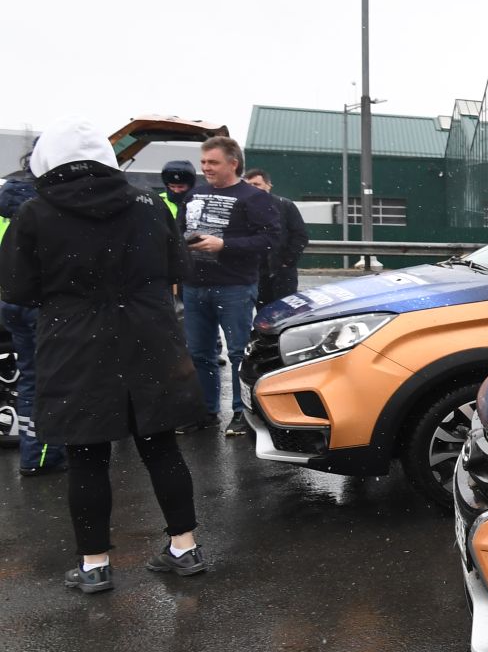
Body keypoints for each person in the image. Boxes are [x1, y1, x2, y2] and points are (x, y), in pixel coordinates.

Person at [0, 122, 207, 594]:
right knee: (161, 446)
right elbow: (180, 268)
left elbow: (17, 288)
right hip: (150, 337)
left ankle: (94, 565)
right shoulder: (149, 203)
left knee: (87, 455)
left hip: (77, 343)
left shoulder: (36, 211)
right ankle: (185, 547)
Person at [180, 136, 281, 436]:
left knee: (239, 353)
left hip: (234, 287)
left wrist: (225, 245)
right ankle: (206, 411)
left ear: (233, 163)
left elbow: (271, 240)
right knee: (199, 354)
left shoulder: (254, 198)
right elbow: (176, 234)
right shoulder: (193, 195)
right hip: (194, 285)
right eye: (203, 162)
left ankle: (242, 413)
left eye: (213, 162)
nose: (206, 168)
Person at [0, 158, 67, 476]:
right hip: (37, 305)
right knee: (51, 381)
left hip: (9, 304)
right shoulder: (42, 209)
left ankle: (33, 452)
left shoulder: (7, 202)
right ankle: (43, 455)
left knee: (30, 380)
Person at [243, 168, 309, 306]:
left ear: (268, 185)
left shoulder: (285, 205)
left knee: (285, 311)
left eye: (257, 184)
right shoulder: (242, 208)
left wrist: (287, 261)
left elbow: (299, 235)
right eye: (249, 185)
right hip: (255, 271)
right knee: (262, 313)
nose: (253, 189)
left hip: (282, 271)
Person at [159, 159, 196, 226]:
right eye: (172, 186)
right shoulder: (159, 200)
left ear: (190, 186)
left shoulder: (198, 201)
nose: (176, 190)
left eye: (181, 187)